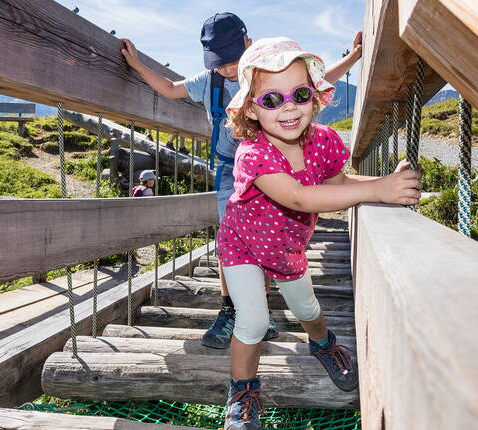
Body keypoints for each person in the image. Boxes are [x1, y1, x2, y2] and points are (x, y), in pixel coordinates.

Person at [120, 12, 364, 349]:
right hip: (231, 168)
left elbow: (314, 80)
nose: (228, 69)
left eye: (233, 60)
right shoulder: (208, 81)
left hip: (275, 163)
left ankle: (257, 305)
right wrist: (136, 64)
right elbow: (169, 88)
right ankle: (232, 308)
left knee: (269, 231)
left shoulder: (266, 72)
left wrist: (353, 57)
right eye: (219, 63)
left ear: (248, 45)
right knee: (231, 236)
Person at [218, 37, 421, 429]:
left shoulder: (325, 141)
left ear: (315, 97)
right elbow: (297, 197)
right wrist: (377, 192)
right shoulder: (253, 153)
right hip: (241, 243)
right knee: (253, 321)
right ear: (253, 111)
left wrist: (383, 182)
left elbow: (338, 181)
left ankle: (324, 344)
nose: (289, 106)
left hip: (287, 246)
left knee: (308, 308)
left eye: (299, 93)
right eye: (271, 100)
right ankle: (242, 393)